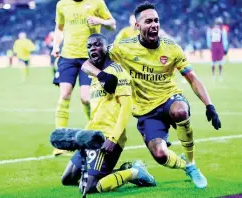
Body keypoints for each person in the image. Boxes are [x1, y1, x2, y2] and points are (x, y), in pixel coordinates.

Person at [82, 1, 221, 189]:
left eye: (156, 21)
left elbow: (192, 78)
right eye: (148, 21)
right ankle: (183, 165)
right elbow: (87, 62)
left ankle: (192, 163)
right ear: (137, 26)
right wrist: (100, 74)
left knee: (180, 111)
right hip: (146, 112)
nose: (154, 24)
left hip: (169, 99)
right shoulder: (123, 48)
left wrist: (209, 105)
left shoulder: (172, 48)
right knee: (161, 155)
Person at [61, 34, 156, 194]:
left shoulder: (118, 72)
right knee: (68, 178)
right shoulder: (95, 75)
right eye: (89, 46)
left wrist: (113, 138)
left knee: (89, 187)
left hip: (107, 137)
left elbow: (126, 107)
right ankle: (110, 172)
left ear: (107, 47)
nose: (92, 49)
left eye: (97, 45)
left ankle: (135, 171)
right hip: (91, 135)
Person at [51, 0, 116, 156]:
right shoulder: (62, 4)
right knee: (64, 95)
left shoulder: (97, 2)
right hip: (68, 57)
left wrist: (99, 20)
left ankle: (94, 133)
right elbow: (59, 28)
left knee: (86, 99)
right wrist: (55, 46)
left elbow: (112, 24)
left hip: (90, 58)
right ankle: (59, 144)